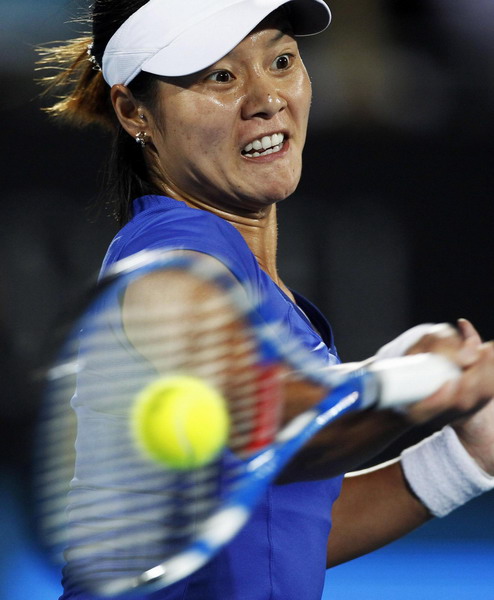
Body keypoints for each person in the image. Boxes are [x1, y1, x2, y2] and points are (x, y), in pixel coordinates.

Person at [39, 0, 494, 598]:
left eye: (281, 60)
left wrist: (466, 459)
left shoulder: (258, 286)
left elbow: (282, 531)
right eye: (220, 76)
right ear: (133, 112)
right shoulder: (169, 276)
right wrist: (398, 378)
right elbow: (266, 426)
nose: (267, 98)